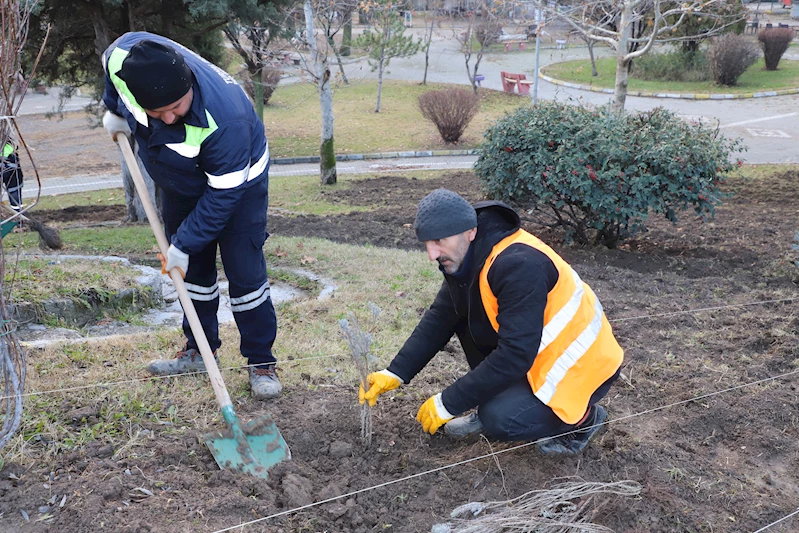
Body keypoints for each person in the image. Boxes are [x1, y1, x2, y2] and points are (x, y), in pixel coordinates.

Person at [359, 189, 624, 454]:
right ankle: (504, 401)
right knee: (467, 316)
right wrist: (395, 372)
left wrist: (448, 403)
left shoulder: (518, 264)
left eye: (439, 241)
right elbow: (440, 317)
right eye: (427, 243)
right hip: (537, 356)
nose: (431, 254)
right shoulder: (466, 257)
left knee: (501, 420)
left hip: (580, 366)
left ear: (470, 232)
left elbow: (515, 355)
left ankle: (583, 420)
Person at [101, 32, 281, 399]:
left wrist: (182, 243)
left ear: (189, 86)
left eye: (177, 107)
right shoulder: (121, 61)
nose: (168, 117)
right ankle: (199, 351)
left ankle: (261, 361)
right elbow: (112, 77)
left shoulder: (228, 119)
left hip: (237, 184)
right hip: (179, 177)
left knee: (244, 272)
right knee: (192, 274)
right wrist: (115, 111)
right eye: (157, 112)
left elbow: (222, 197)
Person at [1, 141, 24, 212]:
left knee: (14, 193)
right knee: (15, 193)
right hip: (11, 164)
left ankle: (18, 216)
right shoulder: (9, 145)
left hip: (10, 167)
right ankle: (19, 216)